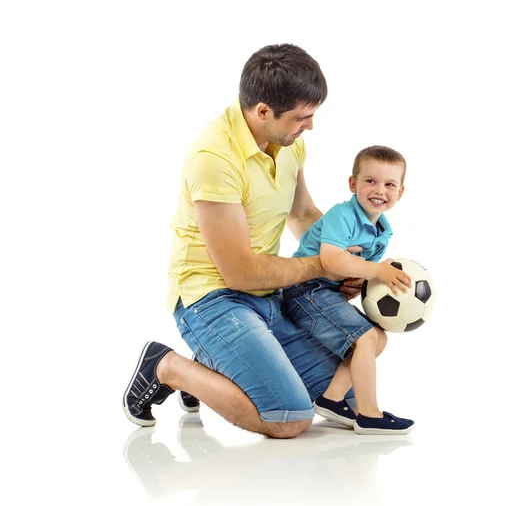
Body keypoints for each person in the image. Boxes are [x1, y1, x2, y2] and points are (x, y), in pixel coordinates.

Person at [123, 44, 367, 439]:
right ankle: (169, 367)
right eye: (302, 117)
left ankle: (217, 366)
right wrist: (325, 266)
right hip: (212, 298)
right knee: (289, 418)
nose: (310, 127)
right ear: (263, 111)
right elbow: (238, 272)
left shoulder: (288, 142)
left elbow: (302, 214)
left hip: (265, 294)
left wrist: (350, 261)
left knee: (349, 398)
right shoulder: (213, 158)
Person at [281, 146, 415, 434]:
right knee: (365, 338)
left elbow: (355, 270)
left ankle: (332, 399)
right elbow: (330, 259)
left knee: (378, 338)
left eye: (390, 184)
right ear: (353, 184)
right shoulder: (342, 215)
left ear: (400, 192)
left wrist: (370, 278)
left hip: (327, 294)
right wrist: (378, 270)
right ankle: (368, 415)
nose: (380, 190)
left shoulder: (383, 230)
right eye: (370, 181)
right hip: (304, 290)